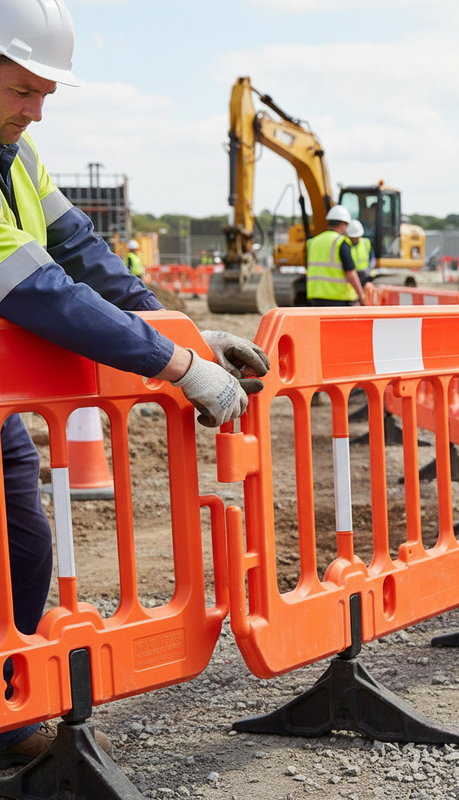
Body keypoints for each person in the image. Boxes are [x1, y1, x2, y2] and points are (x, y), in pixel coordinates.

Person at [0, 0, 269, 767]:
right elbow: (38, 289)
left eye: (48, 93)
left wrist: (177, 325)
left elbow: (78, 248)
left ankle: (7, 716)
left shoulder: (16, 156)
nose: (38, 110)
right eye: (25, 90)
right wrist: (176, 365)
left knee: (22, 540)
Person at [305, 205, 366, 306]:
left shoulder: (313, 242)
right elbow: (350, 273)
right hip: (338, 300)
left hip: (316, 299)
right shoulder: (340, 242)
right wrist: (361, 296)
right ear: (343, 224)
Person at [346, 219, 374, 287]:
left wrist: (369, 269)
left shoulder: (365, 243)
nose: (355, 239)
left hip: (365, 276)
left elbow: (372, 258)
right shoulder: (345, 245)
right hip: (351, 276)